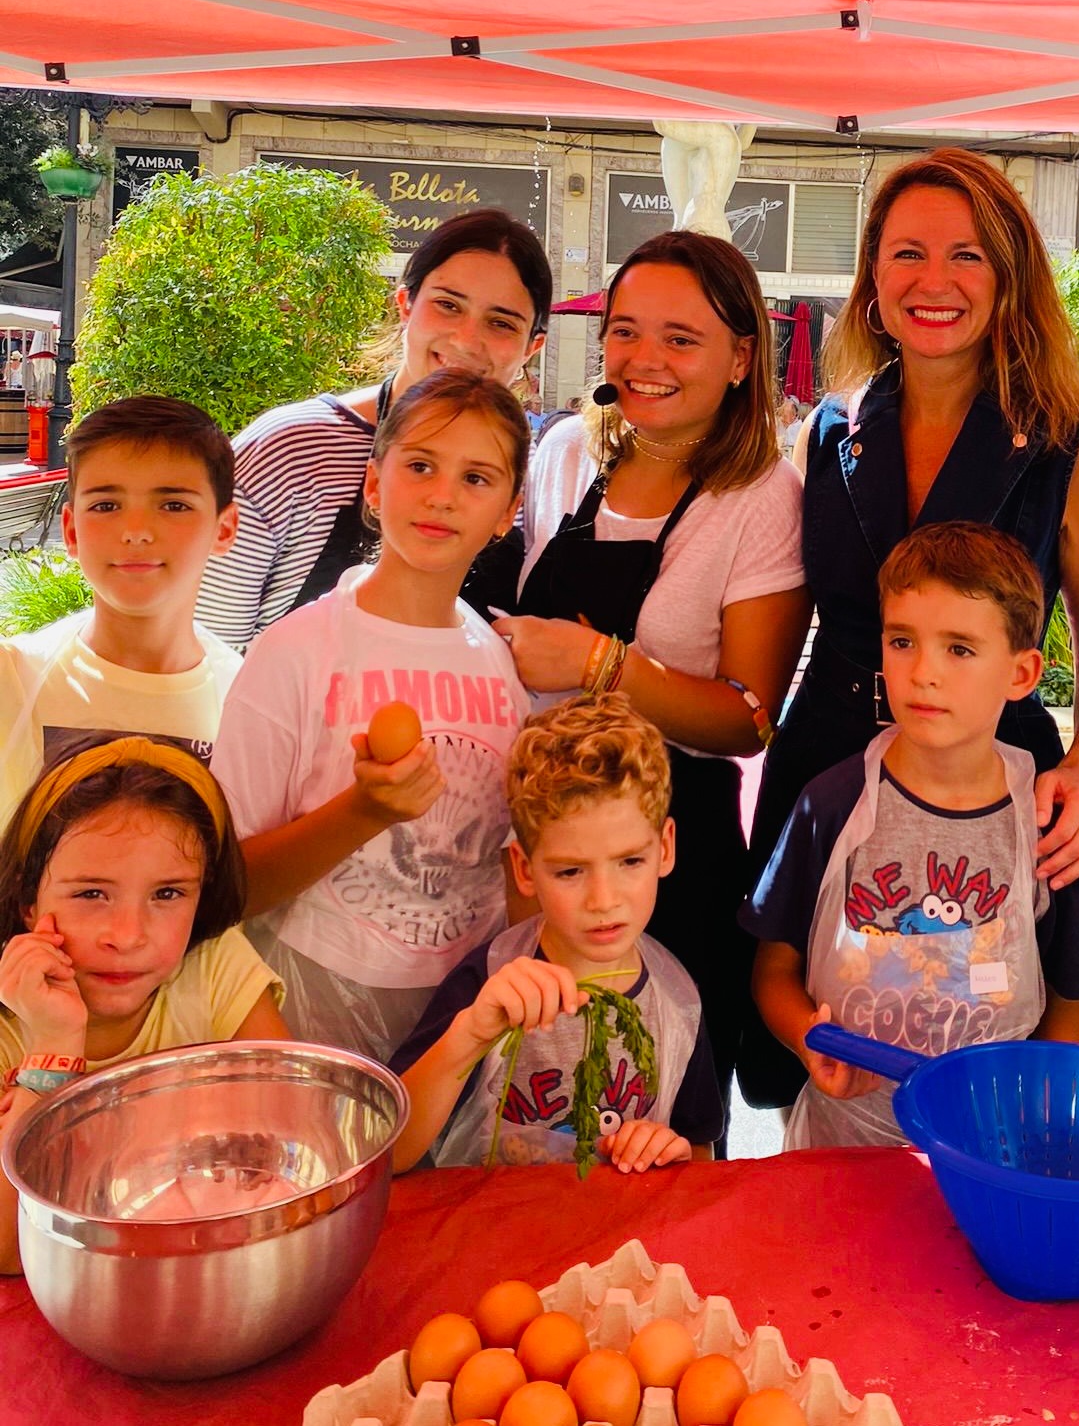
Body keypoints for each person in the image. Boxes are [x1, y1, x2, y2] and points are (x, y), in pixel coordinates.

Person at [746, 147, 1079, 1106]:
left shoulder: (1071, 443)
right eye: (906, 253)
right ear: (872, 278)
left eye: (967, 256)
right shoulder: (831, 429)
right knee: (807, 1049)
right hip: (829, 763)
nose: (934, 281)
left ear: (1009, 279)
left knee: (991, 1045)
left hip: (994, 778)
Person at [497, 230, 810, 1121]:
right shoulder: (567, 456)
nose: (645, 359)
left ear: (742, 356)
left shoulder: (760, 500)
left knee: (664, 1125)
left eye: (681, 338)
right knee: (538, 1110)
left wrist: (602, 665)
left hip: (672, 856)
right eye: (626, 331)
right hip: (546, 842)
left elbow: (749, 717)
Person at [210, 371, 531, 1062]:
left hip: (465, 1009)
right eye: (420, 465)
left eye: (477, 479)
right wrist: (363, 810)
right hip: (313, 999)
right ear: (374, 485)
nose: (442, 495)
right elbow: (224, 887)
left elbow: (507, 863)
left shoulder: (501, 663)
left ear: (509, 511)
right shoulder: (296, 651)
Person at [745, 523, 1079, 1148]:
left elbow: (1067, 1005)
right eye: (902, 641)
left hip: (991, 1154)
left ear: (1022, 673)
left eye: (959, 648)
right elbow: (774, 970)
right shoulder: (833, 804)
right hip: (842, 1148)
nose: (923, 673)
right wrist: (807, 1039)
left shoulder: (1041, 824)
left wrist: (1036, 1110)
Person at [391, 694, 722, 1171]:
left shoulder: (679, 1001)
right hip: (499, 1234)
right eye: (570, 872)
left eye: (630, 861)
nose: (603, 899)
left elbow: (698, 1151)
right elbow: (393, 1154)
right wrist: (470, 1033)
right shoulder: (489, 981)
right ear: (525, 869)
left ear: (665, 848)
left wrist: (669, 1150)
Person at [195, 209, 552, 650]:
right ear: (404, 305)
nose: (466, 339)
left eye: (500, 322)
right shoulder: (290, 449)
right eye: (447, 305)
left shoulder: (537, 475)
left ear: (532, 347)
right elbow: (207, 650)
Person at [0, 735, 288, 1272]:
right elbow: (9, 1249)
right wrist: (54, 1044)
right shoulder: (9, 1023)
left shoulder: (213, 970)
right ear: (26, 900)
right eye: (91, 894)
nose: (128, 935)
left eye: (167, 894)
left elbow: (291, 1150)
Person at [0, 397, 241, 828]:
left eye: (173, 505)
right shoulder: (15, 678)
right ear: (72, 531)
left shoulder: (248, 699)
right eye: (107, 506)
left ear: (223, 529)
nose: (136, 532)